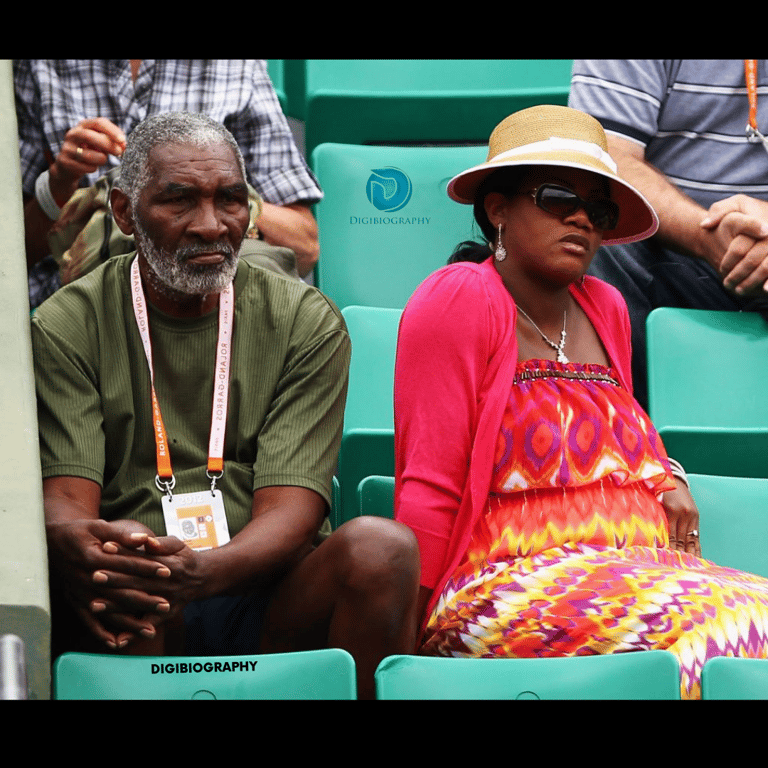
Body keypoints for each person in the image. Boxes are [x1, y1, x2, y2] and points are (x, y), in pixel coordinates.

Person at [33, 112, 419, 700]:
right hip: (144, 593)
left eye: (230, 201)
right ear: (123, 214)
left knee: (381, 547)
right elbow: (66, 500)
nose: (210, 226)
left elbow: (292, 508)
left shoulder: (304, 322)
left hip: (272, 593)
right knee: (124, 558)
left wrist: (202, 573)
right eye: (178, 201)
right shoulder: (69, 322)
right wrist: (97, 548)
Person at [393, 105, 768, 699]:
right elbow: (431, 481)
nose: (581, 218)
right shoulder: (459, 297)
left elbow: (611, 436)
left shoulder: (605, 305)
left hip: (639, 573)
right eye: (558, 195)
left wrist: (665, 475)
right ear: (498, 210)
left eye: (599, 208)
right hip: (505, 584)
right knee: (723, 634)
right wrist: (412, 643)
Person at [14, 59, 321, 307]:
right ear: (122, 211)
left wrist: (220, 196)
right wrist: (59, 182)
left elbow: (304, 247)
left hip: (212, 311)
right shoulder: (40, 66)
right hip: (88, 307)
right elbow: (16, 256)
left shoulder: (236, 65)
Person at [568, 60, 768, 410]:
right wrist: (708, 235)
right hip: (681, 255)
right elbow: (603, 157)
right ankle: (623, 441)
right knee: (595, 235)